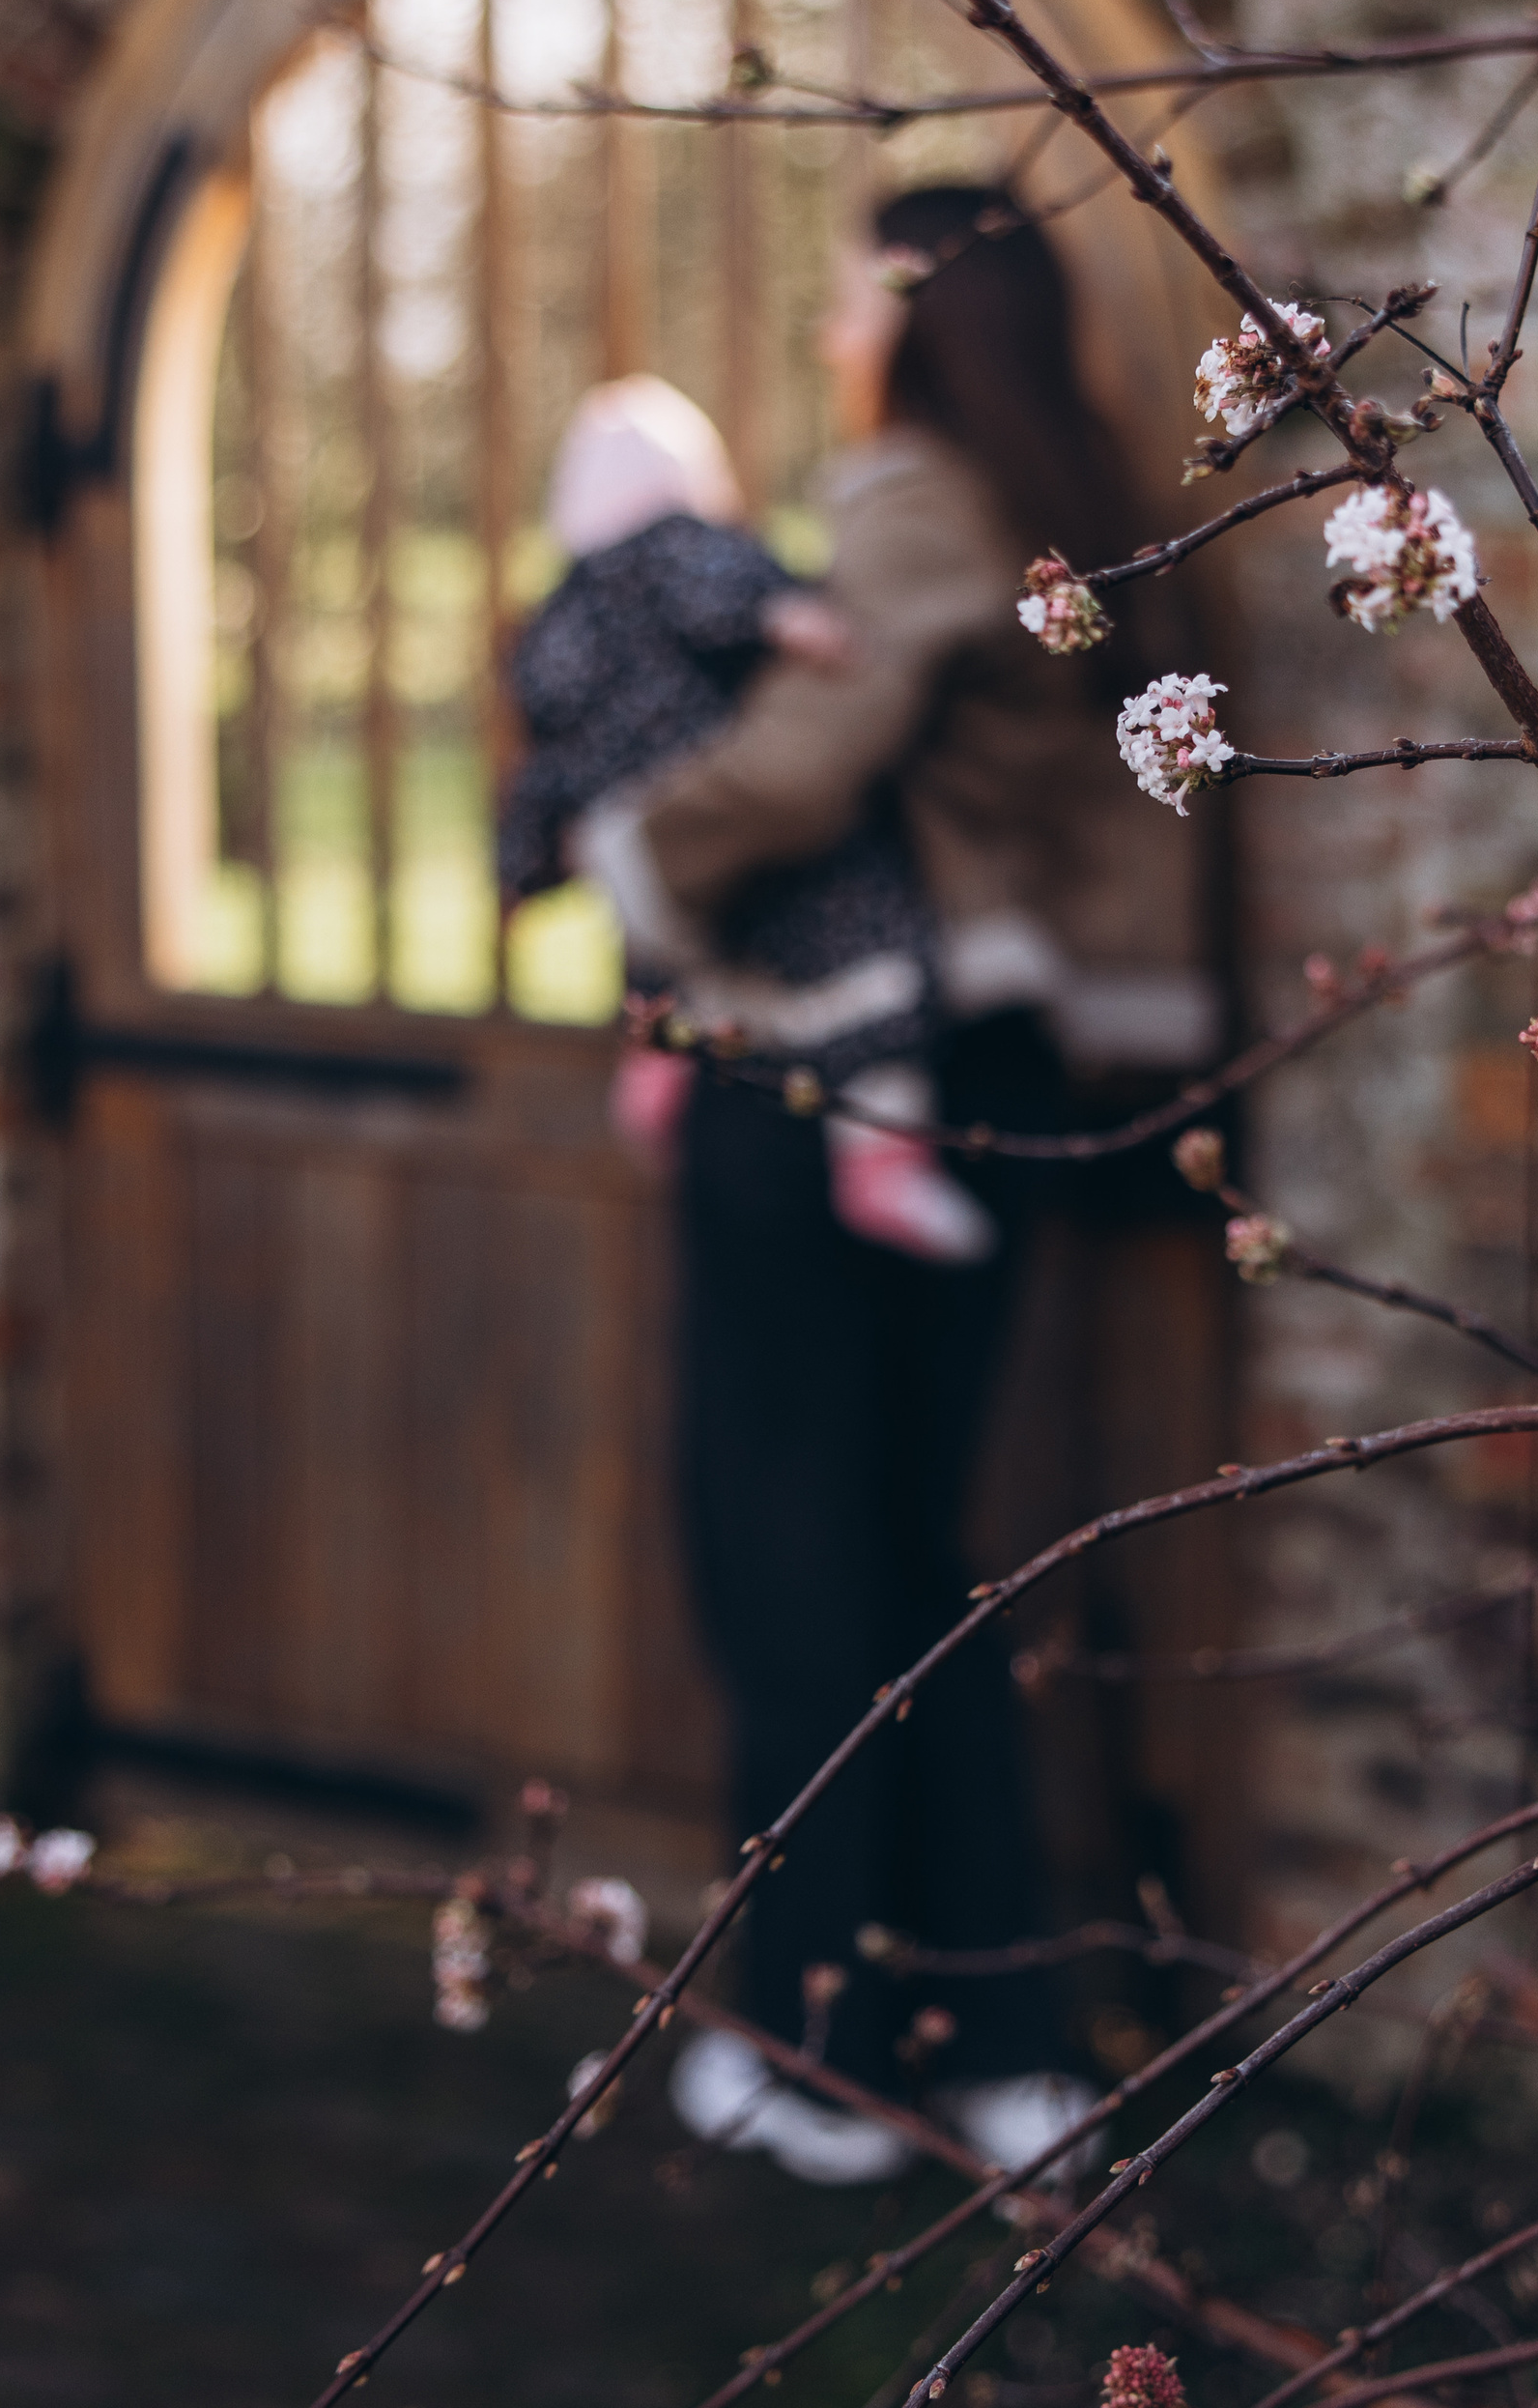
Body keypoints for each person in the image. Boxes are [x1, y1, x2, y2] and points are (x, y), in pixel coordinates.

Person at [583, 186, 1218, 2189]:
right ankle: (1000, 2046)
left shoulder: (919, 496)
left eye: (852, 287)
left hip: (835, 1077)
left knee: (786, 1551)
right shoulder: (1089, 507)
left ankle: (818, 2046)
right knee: (925, 1558)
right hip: (1001, 1081)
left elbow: (800, 758)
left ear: (915, 311)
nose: (834, 323)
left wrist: (625, 849)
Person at [501, 371, 997, 1263]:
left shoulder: (554, 623)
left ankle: (656, 1065)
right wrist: (786, 612)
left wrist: (522, 865)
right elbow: (720, 582)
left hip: (649, 856)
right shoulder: (680, 552)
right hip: (733, 829)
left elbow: (541, 772)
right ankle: (881, 1161)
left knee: (664, 967)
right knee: (865, 972)